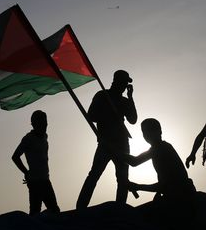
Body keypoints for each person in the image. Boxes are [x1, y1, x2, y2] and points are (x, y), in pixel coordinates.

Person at [77, 70, 138, 209]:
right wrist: (108, 115)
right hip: (106, 143)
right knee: (94, 175)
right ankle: (80, 207)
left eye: (126, 84)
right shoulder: (102, 96)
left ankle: (120, 208)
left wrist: (130, 97)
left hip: (122, 143)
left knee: (122, 178)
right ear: (117, 81)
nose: (124, 86)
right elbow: (91, 116)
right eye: (123, 83)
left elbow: (133, 119)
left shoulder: (124, 100)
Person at [123, 118, 196, 220]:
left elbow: (164, 185)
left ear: (159, 131)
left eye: (150, 130)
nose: (147, 135)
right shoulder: (157, 149)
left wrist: (138, 186)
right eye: (144, 132)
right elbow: (135, 161)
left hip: (180, 198)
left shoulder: (162, 149)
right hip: (174, 195)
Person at [12, 110, 60, 215]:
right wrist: (26, 172)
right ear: (35, 124)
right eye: (42, 123)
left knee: (54, 211)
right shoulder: (28, 139)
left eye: (46, 123)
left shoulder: (45, 137)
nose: (45, 125)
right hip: (35, 182)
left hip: (45, 179)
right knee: (35, 212)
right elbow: (15, 157)